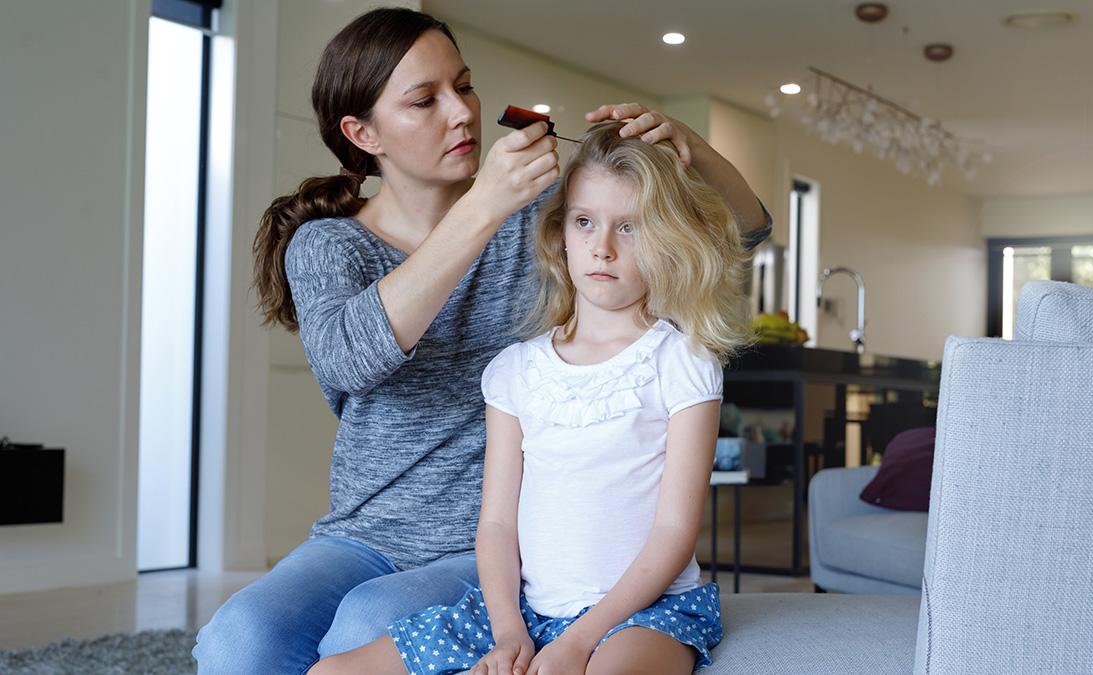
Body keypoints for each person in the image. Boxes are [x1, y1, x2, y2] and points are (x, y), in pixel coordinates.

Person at [193, 6, 771, 673]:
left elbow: (744, 231)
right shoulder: (331, 244)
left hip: (495, 539)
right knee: (238, 639)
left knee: (367, 622)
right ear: (362, 132)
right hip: (361, 534)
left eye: (463, 86)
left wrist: (691, 147)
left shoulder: (537, 217)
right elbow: (349, 358)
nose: (462, 112)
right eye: (424, 100)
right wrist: (481, 206)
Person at [309, 121, 753, 675]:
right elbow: (495, 525)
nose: (603, 248)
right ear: (559, 233)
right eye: (585, 222)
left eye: (631, 228)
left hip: (645, 614)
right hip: (524, 611)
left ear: (665, 239)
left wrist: (577, 643)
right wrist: (508, 634)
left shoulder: (682, 362)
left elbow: (673, 532)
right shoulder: (514, 371)